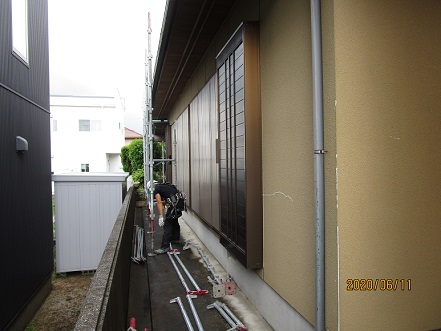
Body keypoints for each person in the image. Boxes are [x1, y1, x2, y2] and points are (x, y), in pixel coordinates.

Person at [153, 182, 182, 254]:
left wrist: (160, 216)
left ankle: (165, 247)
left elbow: (159, 202)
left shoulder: (157, 189)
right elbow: (170, 196)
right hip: (179, 203)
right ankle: (175, 238)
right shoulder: (167, 186)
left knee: (168, 225)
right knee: (174, 220)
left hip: (174, 205)